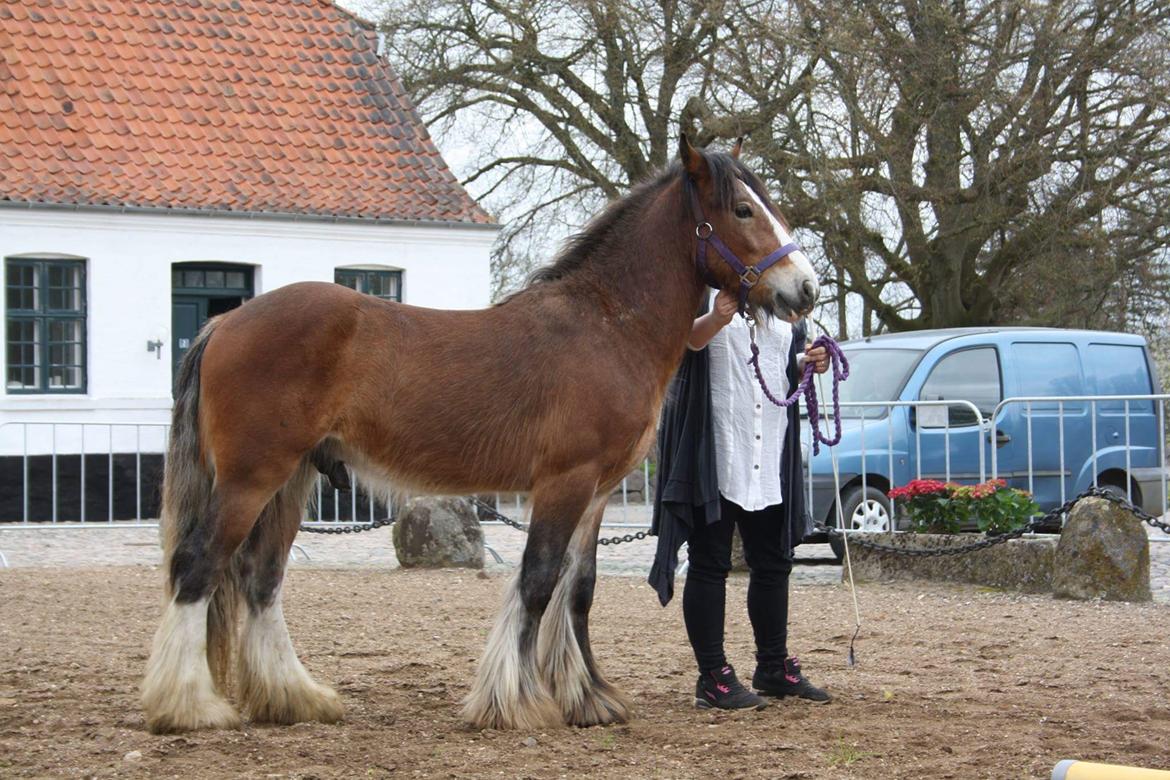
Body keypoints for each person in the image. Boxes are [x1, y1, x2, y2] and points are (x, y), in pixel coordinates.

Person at [649, 288, 832, 710]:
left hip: (768, 452)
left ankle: (772, 666)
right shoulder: (700, 293)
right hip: (716, 452)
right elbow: (677, 345)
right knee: (710, 562)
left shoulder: (784, 310)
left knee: (773, 561)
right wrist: (714, 318)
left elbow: (778, 369)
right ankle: (712, 676)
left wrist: (809, 363)